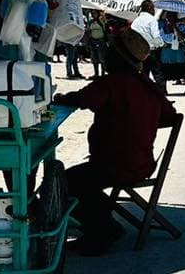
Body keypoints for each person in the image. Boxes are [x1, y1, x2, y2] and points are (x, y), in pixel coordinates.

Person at [54, 28, 177, 256]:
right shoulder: (147, 85)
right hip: (141, 162)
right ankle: (104, 225)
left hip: (117, 164)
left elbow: (83, 98)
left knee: (64, 181)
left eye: (110, 51)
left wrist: (62, 99)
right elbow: (170, 116)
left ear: (118, 57)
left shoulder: (112, 83)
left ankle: (103, 230)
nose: (106, 55)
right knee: (79, 178)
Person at [131, 0, 166, 94]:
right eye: (153, 8)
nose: (154, 10)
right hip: (151, 51)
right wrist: (162, 44)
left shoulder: (136, 21)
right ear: (150, 8)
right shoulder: (152, 20)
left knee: (143, 75)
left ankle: (144, 96)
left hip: (139, 53)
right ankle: (161, 97)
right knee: (158, 74)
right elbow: (156, 36)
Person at [159, 11, 185, 95]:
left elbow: (182, 38)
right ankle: (164, 88)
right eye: (168, 16)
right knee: (165, 68)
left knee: (182, 67)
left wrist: (174, 27)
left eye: (171, 16)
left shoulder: (181, 25)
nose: (169, 18)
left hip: (178, 49)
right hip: (167, 49)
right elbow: (161, 36)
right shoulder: (163, 25)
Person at [86, 10, 108, 78]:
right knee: (94, 59)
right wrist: (88, 42)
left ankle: (103, 74)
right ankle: (96, 74)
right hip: (93, 41)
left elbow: (105, 31)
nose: (93, 15)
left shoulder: (101, 21)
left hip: (101, 42)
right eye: (92, 13)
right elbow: (88, 31)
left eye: (94, 13)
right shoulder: (90, 22)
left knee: (102, 59)